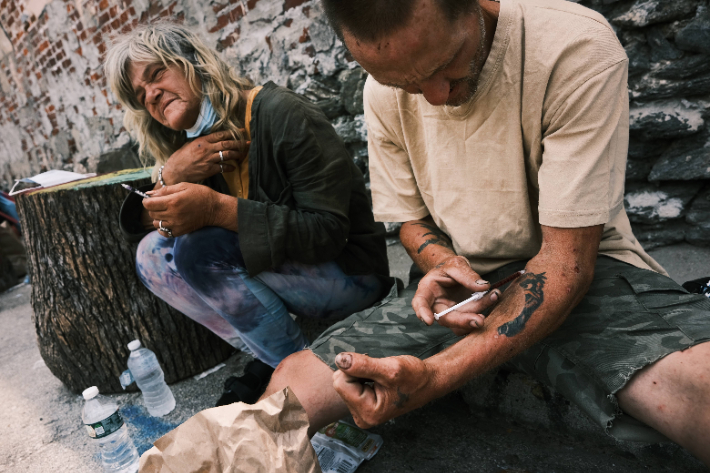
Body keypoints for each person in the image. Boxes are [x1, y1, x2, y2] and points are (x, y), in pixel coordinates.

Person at [261, 0, 710, 465]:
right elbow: (410, 221)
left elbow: (565, 264)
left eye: (445, 65)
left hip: (587, 274)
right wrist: (440, 263)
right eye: (406, 85)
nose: (434, 97)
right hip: (464, 290)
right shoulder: (380, 92)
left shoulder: (572, 47)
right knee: (286, 397)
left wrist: (433, 377)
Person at [105, 23, 391, 403]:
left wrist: (216, 208)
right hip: (289, 275)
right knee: (152, 256)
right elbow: (138, 222)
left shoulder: (279, 112)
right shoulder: (188, 147)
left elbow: (327, 233)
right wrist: (168, 172)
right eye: (141, 95)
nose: (152, 94)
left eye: (157, 74)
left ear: (194, 62)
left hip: (351, 277)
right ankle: (279, 357)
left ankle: (301, 382)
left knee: (198, 252)